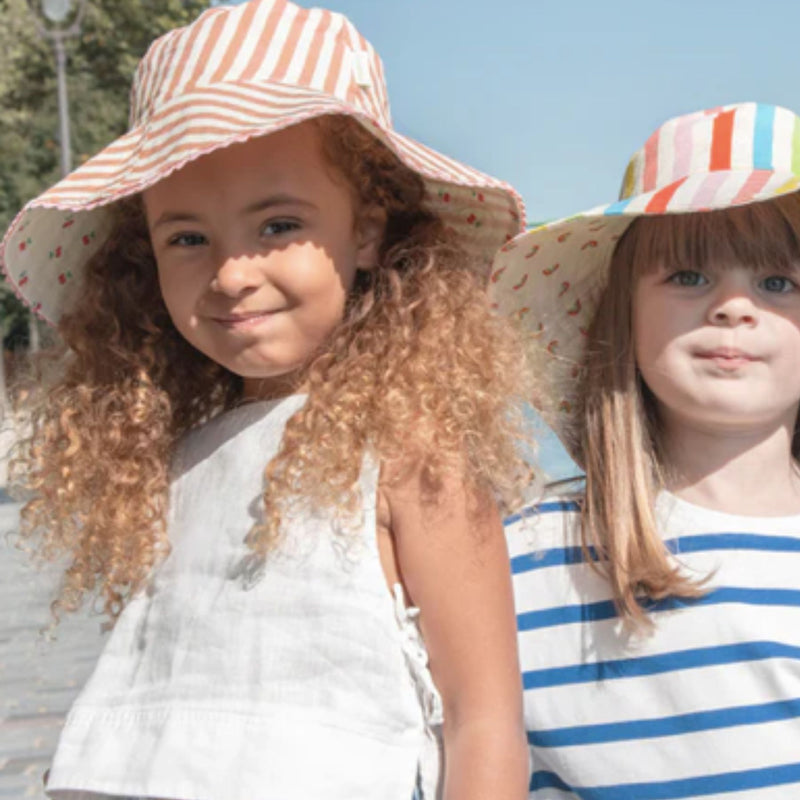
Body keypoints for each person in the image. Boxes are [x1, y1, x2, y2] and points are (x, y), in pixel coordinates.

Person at [2, 2, 533, 798]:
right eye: (186, 237)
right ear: (142, 257)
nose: (231, 272)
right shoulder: (172, 459)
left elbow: (483, 717)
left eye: (278, 224)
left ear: (366, 231)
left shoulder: (410, 447)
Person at [491, 103, 800, 798]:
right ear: (621, 314)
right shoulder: (514, 554)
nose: (733, 306)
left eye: (778, 282)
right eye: (688, 276)